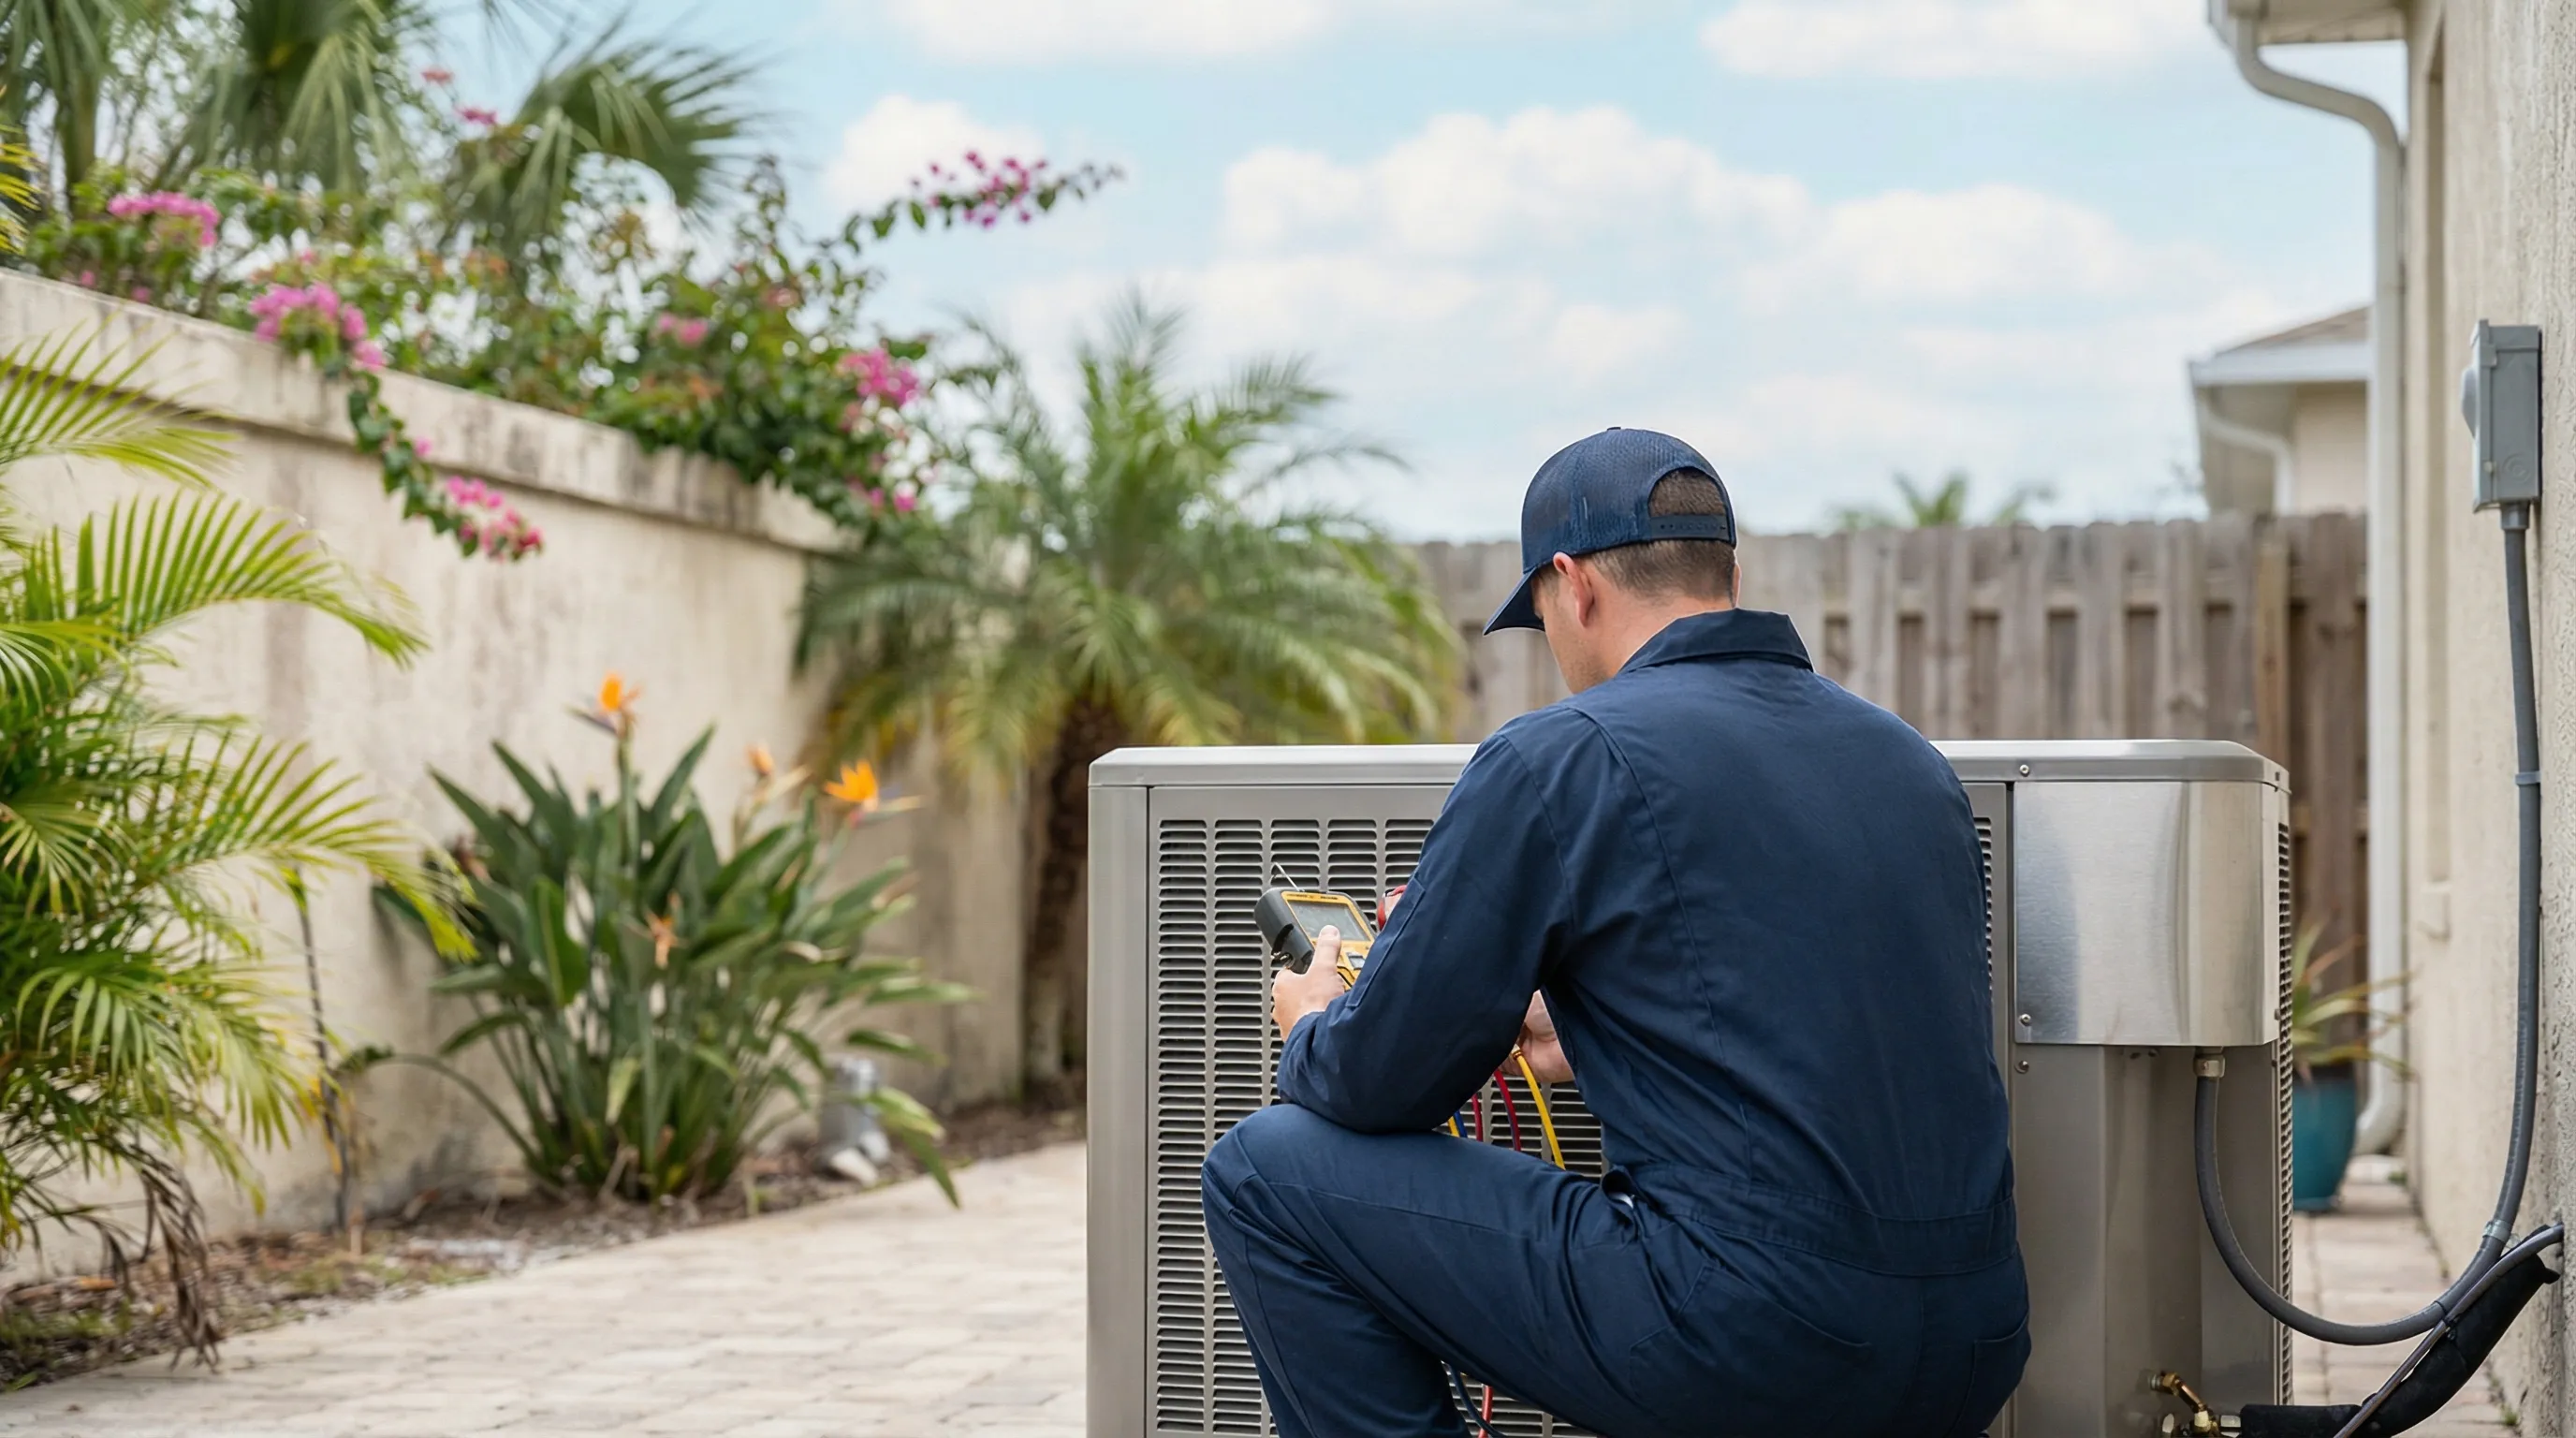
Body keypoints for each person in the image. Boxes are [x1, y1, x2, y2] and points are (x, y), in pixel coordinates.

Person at [1199, 428, 2029, 1438]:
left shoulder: (1558, 757)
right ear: (1726, 571)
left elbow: (1380, 1082)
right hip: (1974, 1341)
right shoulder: (1908, 764)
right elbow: (1821, 1047)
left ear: (1572, 584)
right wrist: (1588, 1035)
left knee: (1264, 1167)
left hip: (1751, 1335)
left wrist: (1314, 1024)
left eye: (1541, 614)